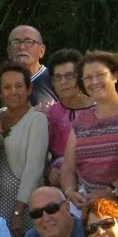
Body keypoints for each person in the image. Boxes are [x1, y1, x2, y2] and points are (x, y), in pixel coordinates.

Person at [60, 50, 118, 212]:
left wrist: (112, 190)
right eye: (87, 77)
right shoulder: (80, 121)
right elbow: (68, 167)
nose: (94, 81)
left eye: (100, 75)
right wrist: (70, 192)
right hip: (85, 209)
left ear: (115, 76)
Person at [0, 61, 49, 237]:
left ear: (29, 89)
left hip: (25, 200)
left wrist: (18, 211)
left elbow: (34, 169)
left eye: (19, 86)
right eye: (7, 87)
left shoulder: (37, 120)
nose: (13, 91)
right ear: (0, 92)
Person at [43, 47, 90, 185]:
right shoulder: (49, 114)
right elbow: (39, 154)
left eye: (70, 75)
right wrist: (48, 170)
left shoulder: (99, 110)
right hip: (59, 184)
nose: (63, 82)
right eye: (58, 77)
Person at [6, 25, 57, 106]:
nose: (22, 47)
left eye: (28, 42)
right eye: (15, 42)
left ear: (42, 50)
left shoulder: (56, 79)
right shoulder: (1, 82)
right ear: (9, 51)